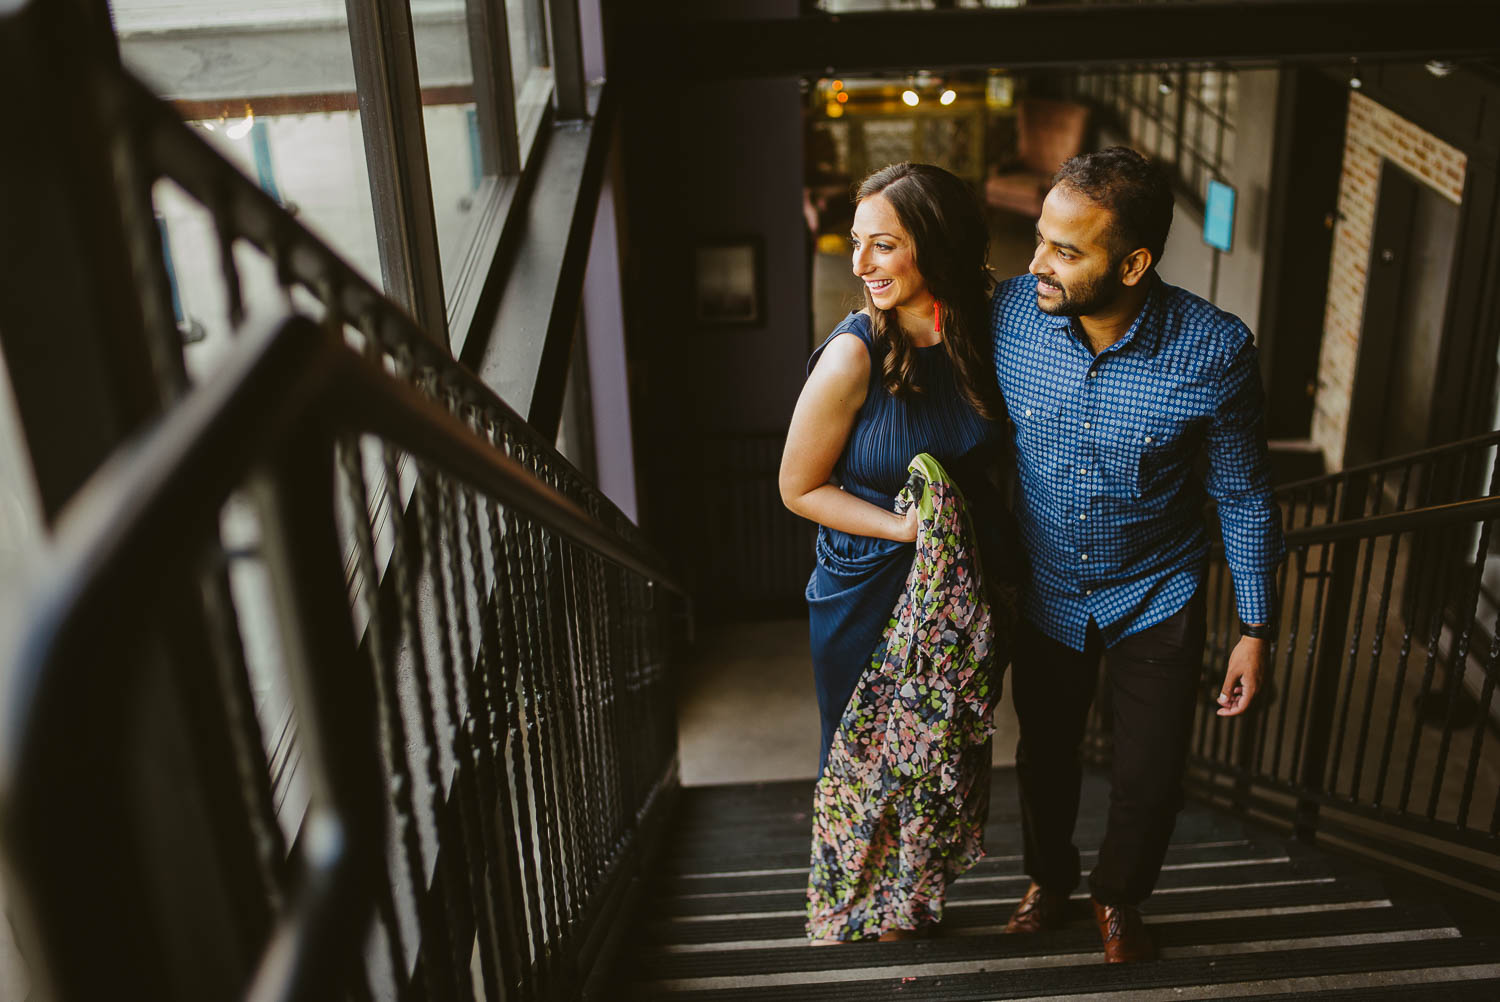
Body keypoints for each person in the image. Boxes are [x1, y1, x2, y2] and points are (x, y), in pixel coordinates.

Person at [991, 146, 1285, 963]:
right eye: (1040, 237)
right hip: (1047, 586)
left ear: (1134, 262)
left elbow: (1244, 493)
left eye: (1064, 250)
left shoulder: (1215, 350)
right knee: (1043, 755)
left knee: (1151, 778)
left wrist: (1256, 627)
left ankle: (1118, 898)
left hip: (1156, 590)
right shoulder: (1009, 315)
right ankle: (1047, 881)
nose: (1036, 263)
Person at [780, 162, 1014, 943]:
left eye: (884, 246)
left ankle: (912, 903)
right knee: (866, 756)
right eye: (857, 244)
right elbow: (799, 487)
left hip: (958, 594)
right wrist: (905, 531)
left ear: (935, 248)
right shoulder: (853, 358)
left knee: (941, 753)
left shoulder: (986, 334)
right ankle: (855, 902)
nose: (861, 265)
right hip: (867, 587)